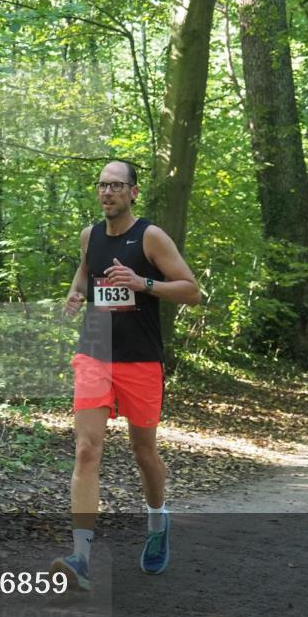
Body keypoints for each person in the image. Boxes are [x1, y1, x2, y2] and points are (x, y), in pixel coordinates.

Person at [51, 160, 201, 591]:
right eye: (102, 185)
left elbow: (191, 290)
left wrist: (144, 283)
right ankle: (81, 556)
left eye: (117, 185)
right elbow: (86, 269)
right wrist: (76, 291)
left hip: (140, 359)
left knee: (143, 453)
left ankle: (157, 520)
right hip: (95, 350)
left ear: (134, 192)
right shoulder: (90, 236)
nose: (107, 192)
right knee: (86, 450)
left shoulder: (151, 237)